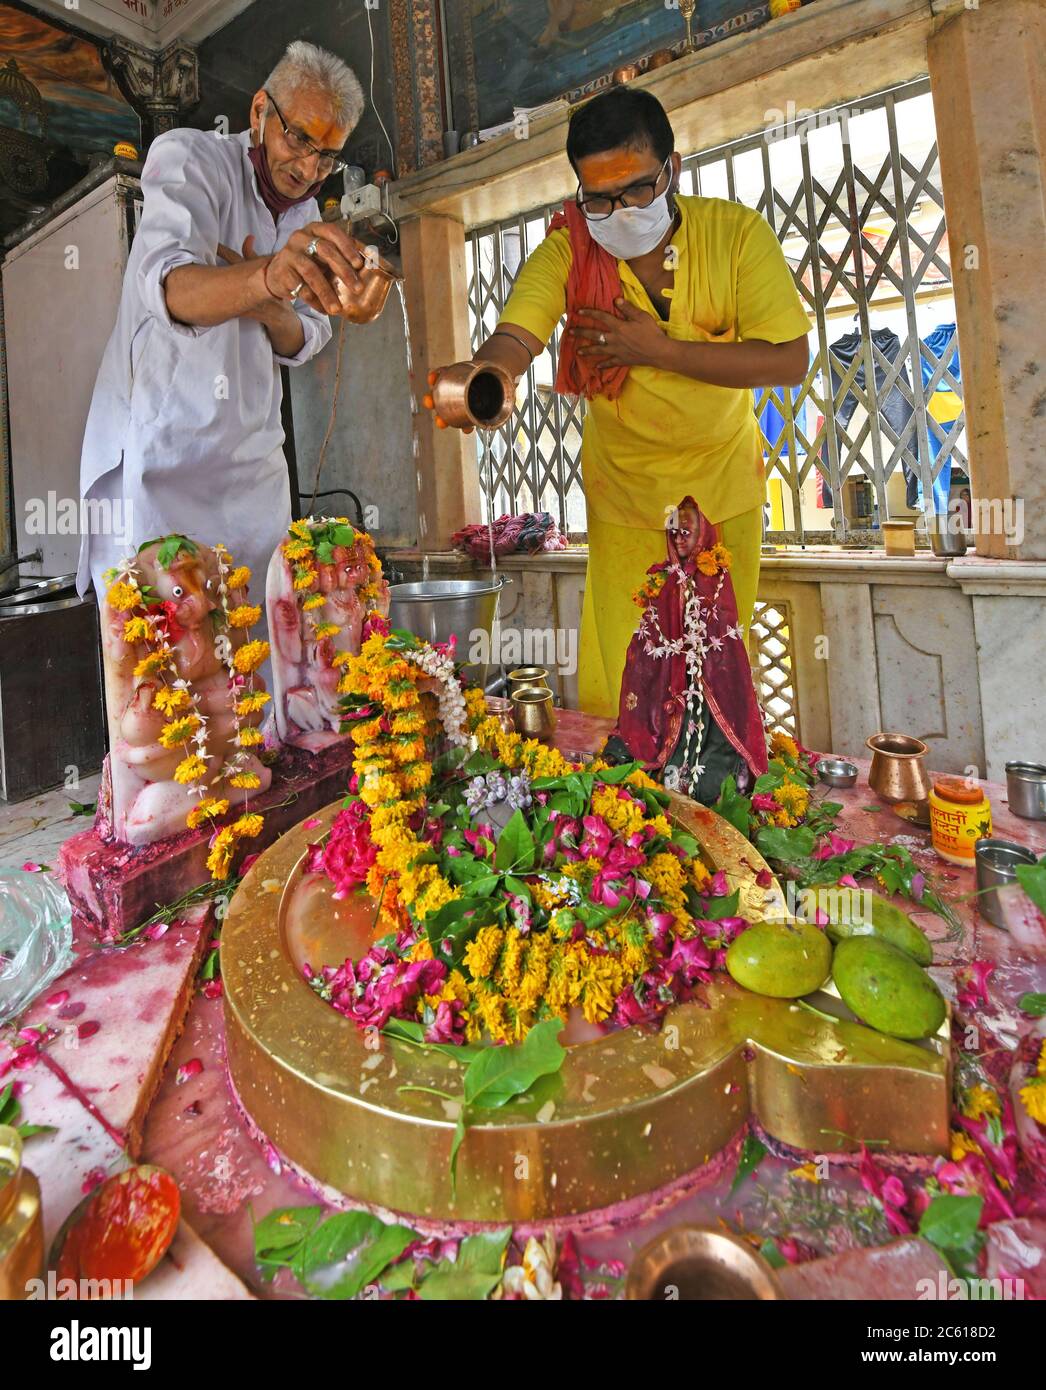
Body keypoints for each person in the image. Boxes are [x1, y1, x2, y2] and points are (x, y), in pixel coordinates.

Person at [429, 87, 809, 718]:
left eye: (635, 189)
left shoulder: (737, 236)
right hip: (627, 503)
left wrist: (657, 350)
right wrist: (485, 377)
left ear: (672, 170)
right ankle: (627, 810)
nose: (618, 210)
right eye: (598, 197)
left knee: (713, 676)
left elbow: (788, 360)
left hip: (723, 496)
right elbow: (520, 331)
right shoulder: (571, 249)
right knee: (631, 686)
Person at [77, 41, 371, 608]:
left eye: (328, 156)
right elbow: (172, 289)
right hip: (166, 457)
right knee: (172, 667)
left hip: (252, 469)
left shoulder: (306, 214)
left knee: (263, 656)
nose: (308, 169)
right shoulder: (190, 160)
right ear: (260, 111)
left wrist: (264, 301)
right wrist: (266, 278)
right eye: (299, 139)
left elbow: (302, 338)